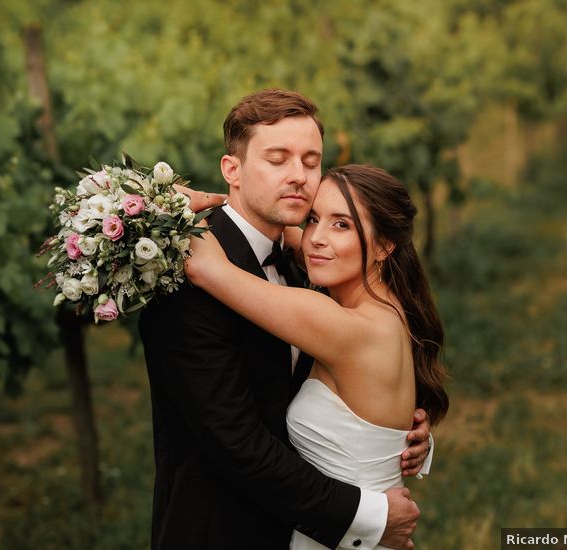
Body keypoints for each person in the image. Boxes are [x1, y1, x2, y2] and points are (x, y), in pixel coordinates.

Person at [139, 89, 433, 550]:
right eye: (278, 159)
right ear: (231, 170)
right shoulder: (184, 277)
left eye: (311, 160)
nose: (299, 176)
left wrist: (393, 433)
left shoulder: (310, 262)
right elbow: (236, 444)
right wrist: (371, 517)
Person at [185, 163, 449, 549]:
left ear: (384, 245)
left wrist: (170, 206)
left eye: (341, 224)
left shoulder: (341, 326)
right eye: (313, 219)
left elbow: (205, 267)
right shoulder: (388, 310)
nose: (316, 239)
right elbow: (289, 234)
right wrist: (236, 199)